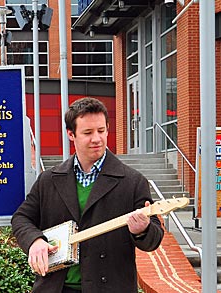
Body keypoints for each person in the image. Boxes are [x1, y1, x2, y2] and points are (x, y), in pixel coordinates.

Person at [11, 97, 164, 293]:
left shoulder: (133, 181)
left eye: (101, 130)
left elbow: (154, 239)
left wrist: (142, 230)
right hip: (55, 288)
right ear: (71, 134)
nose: (97, 138)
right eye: (88, 132)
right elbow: (21, 218)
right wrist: (35, 240)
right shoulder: (48, 180)